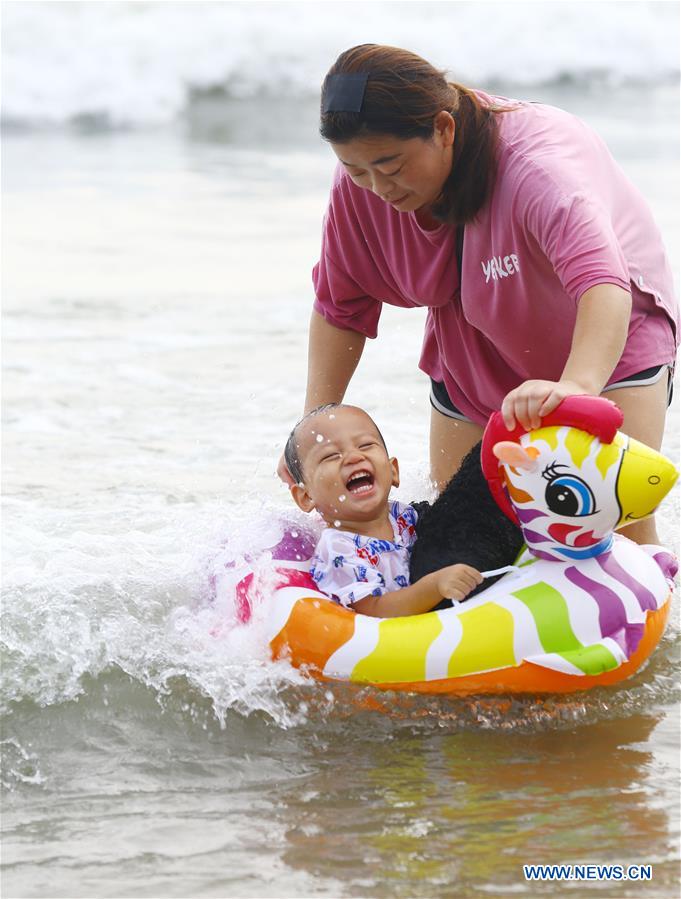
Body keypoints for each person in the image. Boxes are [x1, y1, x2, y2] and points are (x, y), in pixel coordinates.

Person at [278, 44, 678, 546]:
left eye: (391, 165)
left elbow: (602, 282)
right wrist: (313, 431)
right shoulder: (361, 183)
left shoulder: (538, 170)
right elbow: (341, 305)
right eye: (357, 170)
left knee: (609, 531)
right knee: (461, 537)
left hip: (608, 340)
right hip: (475, 345)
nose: (378, 187)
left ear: (443, 129)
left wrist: (577, 385)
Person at [285, 403, 483, 617]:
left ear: (393, 471)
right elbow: (377, 610)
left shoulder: (404, 516)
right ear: (306, 497)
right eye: (331, 456)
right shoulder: (337, 550)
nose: (354, 457)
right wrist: (434, 586)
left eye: (365, 445)